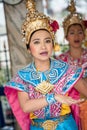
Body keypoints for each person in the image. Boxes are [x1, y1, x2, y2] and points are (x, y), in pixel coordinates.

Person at [4, 0, 87, 130]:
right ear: (28, 48)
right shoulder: (22, 77)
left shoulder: (66, 70)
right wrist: (54, 97)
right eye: (36, 42)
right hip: (38, 127)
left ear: (52, 44)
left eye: (47, 41)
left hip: (66, 126)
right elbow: (25, 106)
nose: (43, 46)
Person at [55, 0, 87, 130]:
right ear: (66, 36)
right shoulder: (60, 60)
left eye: (79, 32)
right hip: (70, 106)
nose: (76, 36)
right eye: (72, 32)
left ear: (84, 35)